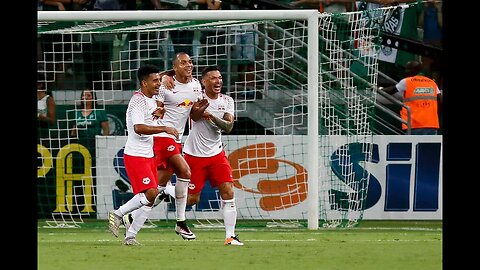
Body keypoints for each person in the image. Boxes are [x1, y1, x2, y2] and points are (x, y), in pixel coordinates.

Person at [124, 53, 202, 241]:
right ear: (174, 67)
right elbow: (155, 97)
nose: (189, 65)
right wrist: (161, 109)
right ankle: (180, 222)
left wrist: (202, 112)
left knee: (154, 190)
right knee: (185, 172)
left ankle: (131, 222)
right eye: (183, 62)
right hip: (161, 137)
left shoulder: (196, 85)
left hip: (175, 138)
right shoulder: (165, 83)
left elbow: (193, 113)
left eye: (190, 62)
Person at [108, 64, 179, 246]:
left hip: (148, 155)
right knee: (152, 192)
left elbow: (150, 115)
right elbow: (138, 128)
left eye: (158, 80)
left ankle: (130, 236)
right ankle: (117, 214)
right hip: (135, 155)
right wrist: (164, 127)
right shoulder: (137, 101)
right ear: (144, 83)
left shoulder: (151, 99)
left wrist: (171, 73)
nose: (158, 84)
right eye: (154, 81)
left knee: (151, 196)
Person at [184, 66, 243, 246]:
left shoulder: (227, 100)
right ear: (204, 82)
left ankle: (230, 236)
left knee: (228, 191)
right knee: (192, 199)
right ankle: (169, 192)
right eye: (213, 78)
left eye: (219, 77)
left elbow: (228, 127)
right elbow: (194, 115)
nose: (218, 81)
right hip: (194, 155)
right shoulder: (197, 98)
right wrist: (204, 113)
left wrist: (210, 116)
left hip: (217, 154)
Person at [381, 60, 442, 135]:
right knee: (429, 147)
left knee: (414, 146)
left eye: (408, 69)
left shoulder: (407, 81)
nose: (406, 71)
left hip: (414, 125)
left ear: (416, 70)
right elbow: (440, 100)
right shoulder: (432, 82)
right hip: (431, 125)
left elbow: (391, 90)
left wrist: (378, 89)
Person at [37, 74, 56, 140]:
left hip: (42, 134)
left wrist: (40, 117)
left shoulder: (48, 99)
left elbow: (52, 121)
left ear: (40, 85)